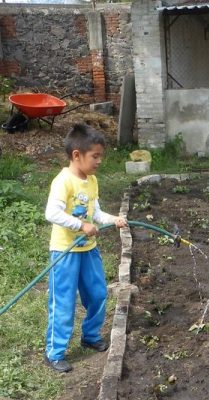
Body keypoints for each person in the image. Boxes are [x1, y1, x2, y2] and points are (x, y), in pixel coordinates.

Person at [44, 124, 128, 373]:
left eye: (101, 156)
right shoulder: (64, 182)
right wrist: (81, 225)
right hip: (65, 253)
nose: (99, 161)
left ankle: (90, 336)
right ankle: (54, 352)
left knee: (98, 294)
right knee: (64, 302)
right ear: (77, 155)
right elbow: (52, 213)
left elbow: (96, 212)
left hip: (88, 250)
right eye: (95, 156)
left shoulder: (91, 181)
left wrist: (113, 219)